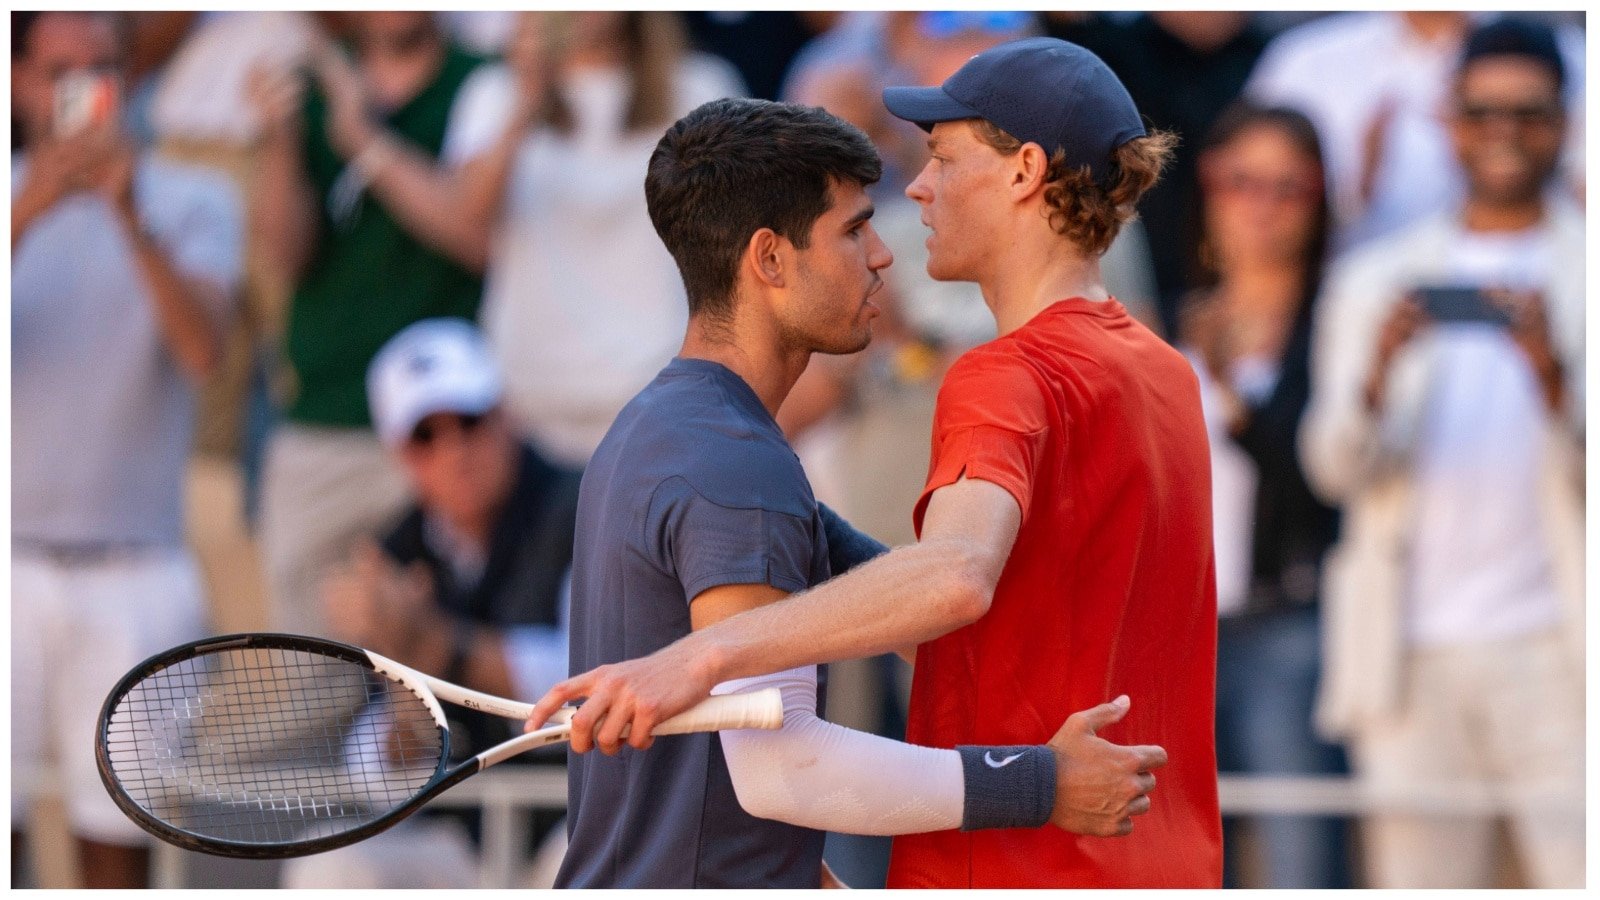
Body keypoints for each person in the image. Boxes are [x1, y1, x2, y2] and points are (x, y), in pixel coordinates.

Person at [532, 38, 1223, 888]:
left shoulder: (996, 375)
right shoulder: (1167, 373)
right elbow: (996, 631)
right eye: (857, 228)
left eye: (940, 158)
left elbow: (961, 580)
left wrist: (704, 655)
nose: (912, 203)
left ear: (1025, 172)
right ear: (769, 259)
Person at [1299, 20, 1582, 888]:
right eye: (1482, 111)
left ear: (1563, 123)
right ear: (1449, 121)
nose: (1504, 132)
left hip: (1564, 651)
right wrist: (1378, 377)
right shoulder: (1375, 276)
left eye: (1528, 114)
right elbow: (1332, 469)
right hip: (1405, 652)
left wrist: (1554, 382)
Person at [11, 10, 241, 888]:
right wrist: (31, 206)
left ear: (128, 80)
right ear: (17, 79)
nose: (78, 92)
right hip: (9, 563)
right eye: (57, 70)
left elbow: (205, 351)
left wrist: (129, 217)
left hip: (137, 565)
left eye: (99, 69)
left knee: (118, 850)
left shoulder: (190, 200)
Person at [281, 318, 580, 889]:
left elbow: (585, 681)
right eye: (425, 436)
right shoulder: (393, 554)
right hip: (466, 836)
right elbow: (381, 774)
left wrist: (437, 645)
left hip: (578, 819)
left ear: (505, 417)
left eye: (469, 421)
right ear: (399, 453)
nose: (455, 451)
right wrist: (400, 670)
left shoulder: (583, 506)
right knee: (329, 867)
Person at [251, 11, 515, 636]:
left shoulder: (484, 83)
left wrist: (363, 139)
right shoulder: (307, 85)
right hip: (325, 421)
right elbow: (286, 255)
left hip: (450, 428)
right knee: (302, 681)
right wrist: (280, 139)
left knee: (453, 674)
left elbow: (475, 236)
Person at [1176, 102, 1349, 889]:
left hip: (1290, 626)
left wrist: (1231, 399)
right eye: (1241, 181)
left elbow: (1324, 478)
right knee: (1183, 863)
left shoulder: (1340, 318)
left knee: (1299, 868)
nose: (1262, 206)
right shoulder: (1175, 317)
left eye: (1291, 187)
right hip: (1179, 636)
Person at [470, 12, 747, 468]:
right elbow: (466, 226)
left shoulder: (702, 86)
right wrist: (524, 102)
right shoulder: (493, 92)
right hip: (529, 415)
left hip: (671, 409)